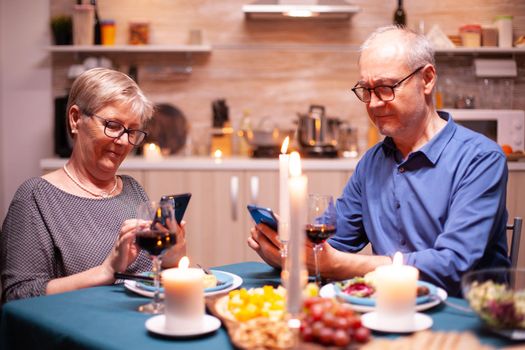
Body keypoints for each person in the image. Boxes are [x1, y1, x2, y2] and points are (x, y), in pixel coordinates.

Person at [248, 26, 510, 296]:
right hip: (385, 309)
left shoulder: (480, 159)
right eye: (366, 90)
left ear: (427, 79)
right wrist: (290, 250)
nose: (373, 104)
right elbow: (335, 243)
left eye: (386, 88)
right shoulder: (373, 162)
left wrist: (335, 264)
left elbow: (454, 266)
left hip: (461, 318)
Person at [0, 68, 186, 303]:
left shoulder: (132, 189)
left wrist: (173, 256)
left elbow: (152, 282)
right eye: (113, 125)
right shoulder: (35, 197)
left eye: (132, 131)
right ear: (76, 119)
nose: (123, 142)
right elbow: (18, 296)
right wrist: (105, 271)